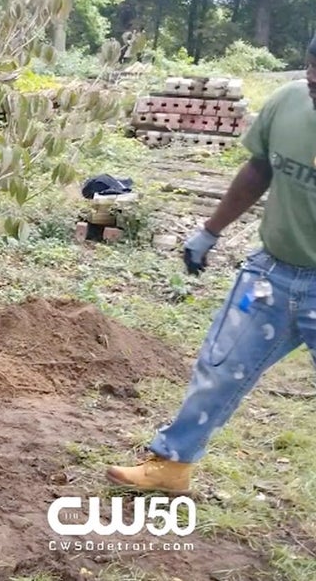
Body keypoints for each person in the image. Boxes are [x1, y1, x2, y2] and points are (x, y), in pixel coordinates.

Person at [105, 35, 316, 494]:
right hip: (272, 275)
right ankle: (171, 466)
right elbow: (259, 169)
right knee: (218, 368)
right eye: (315, 78)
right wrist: (210, 230)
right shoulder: (288, 102)